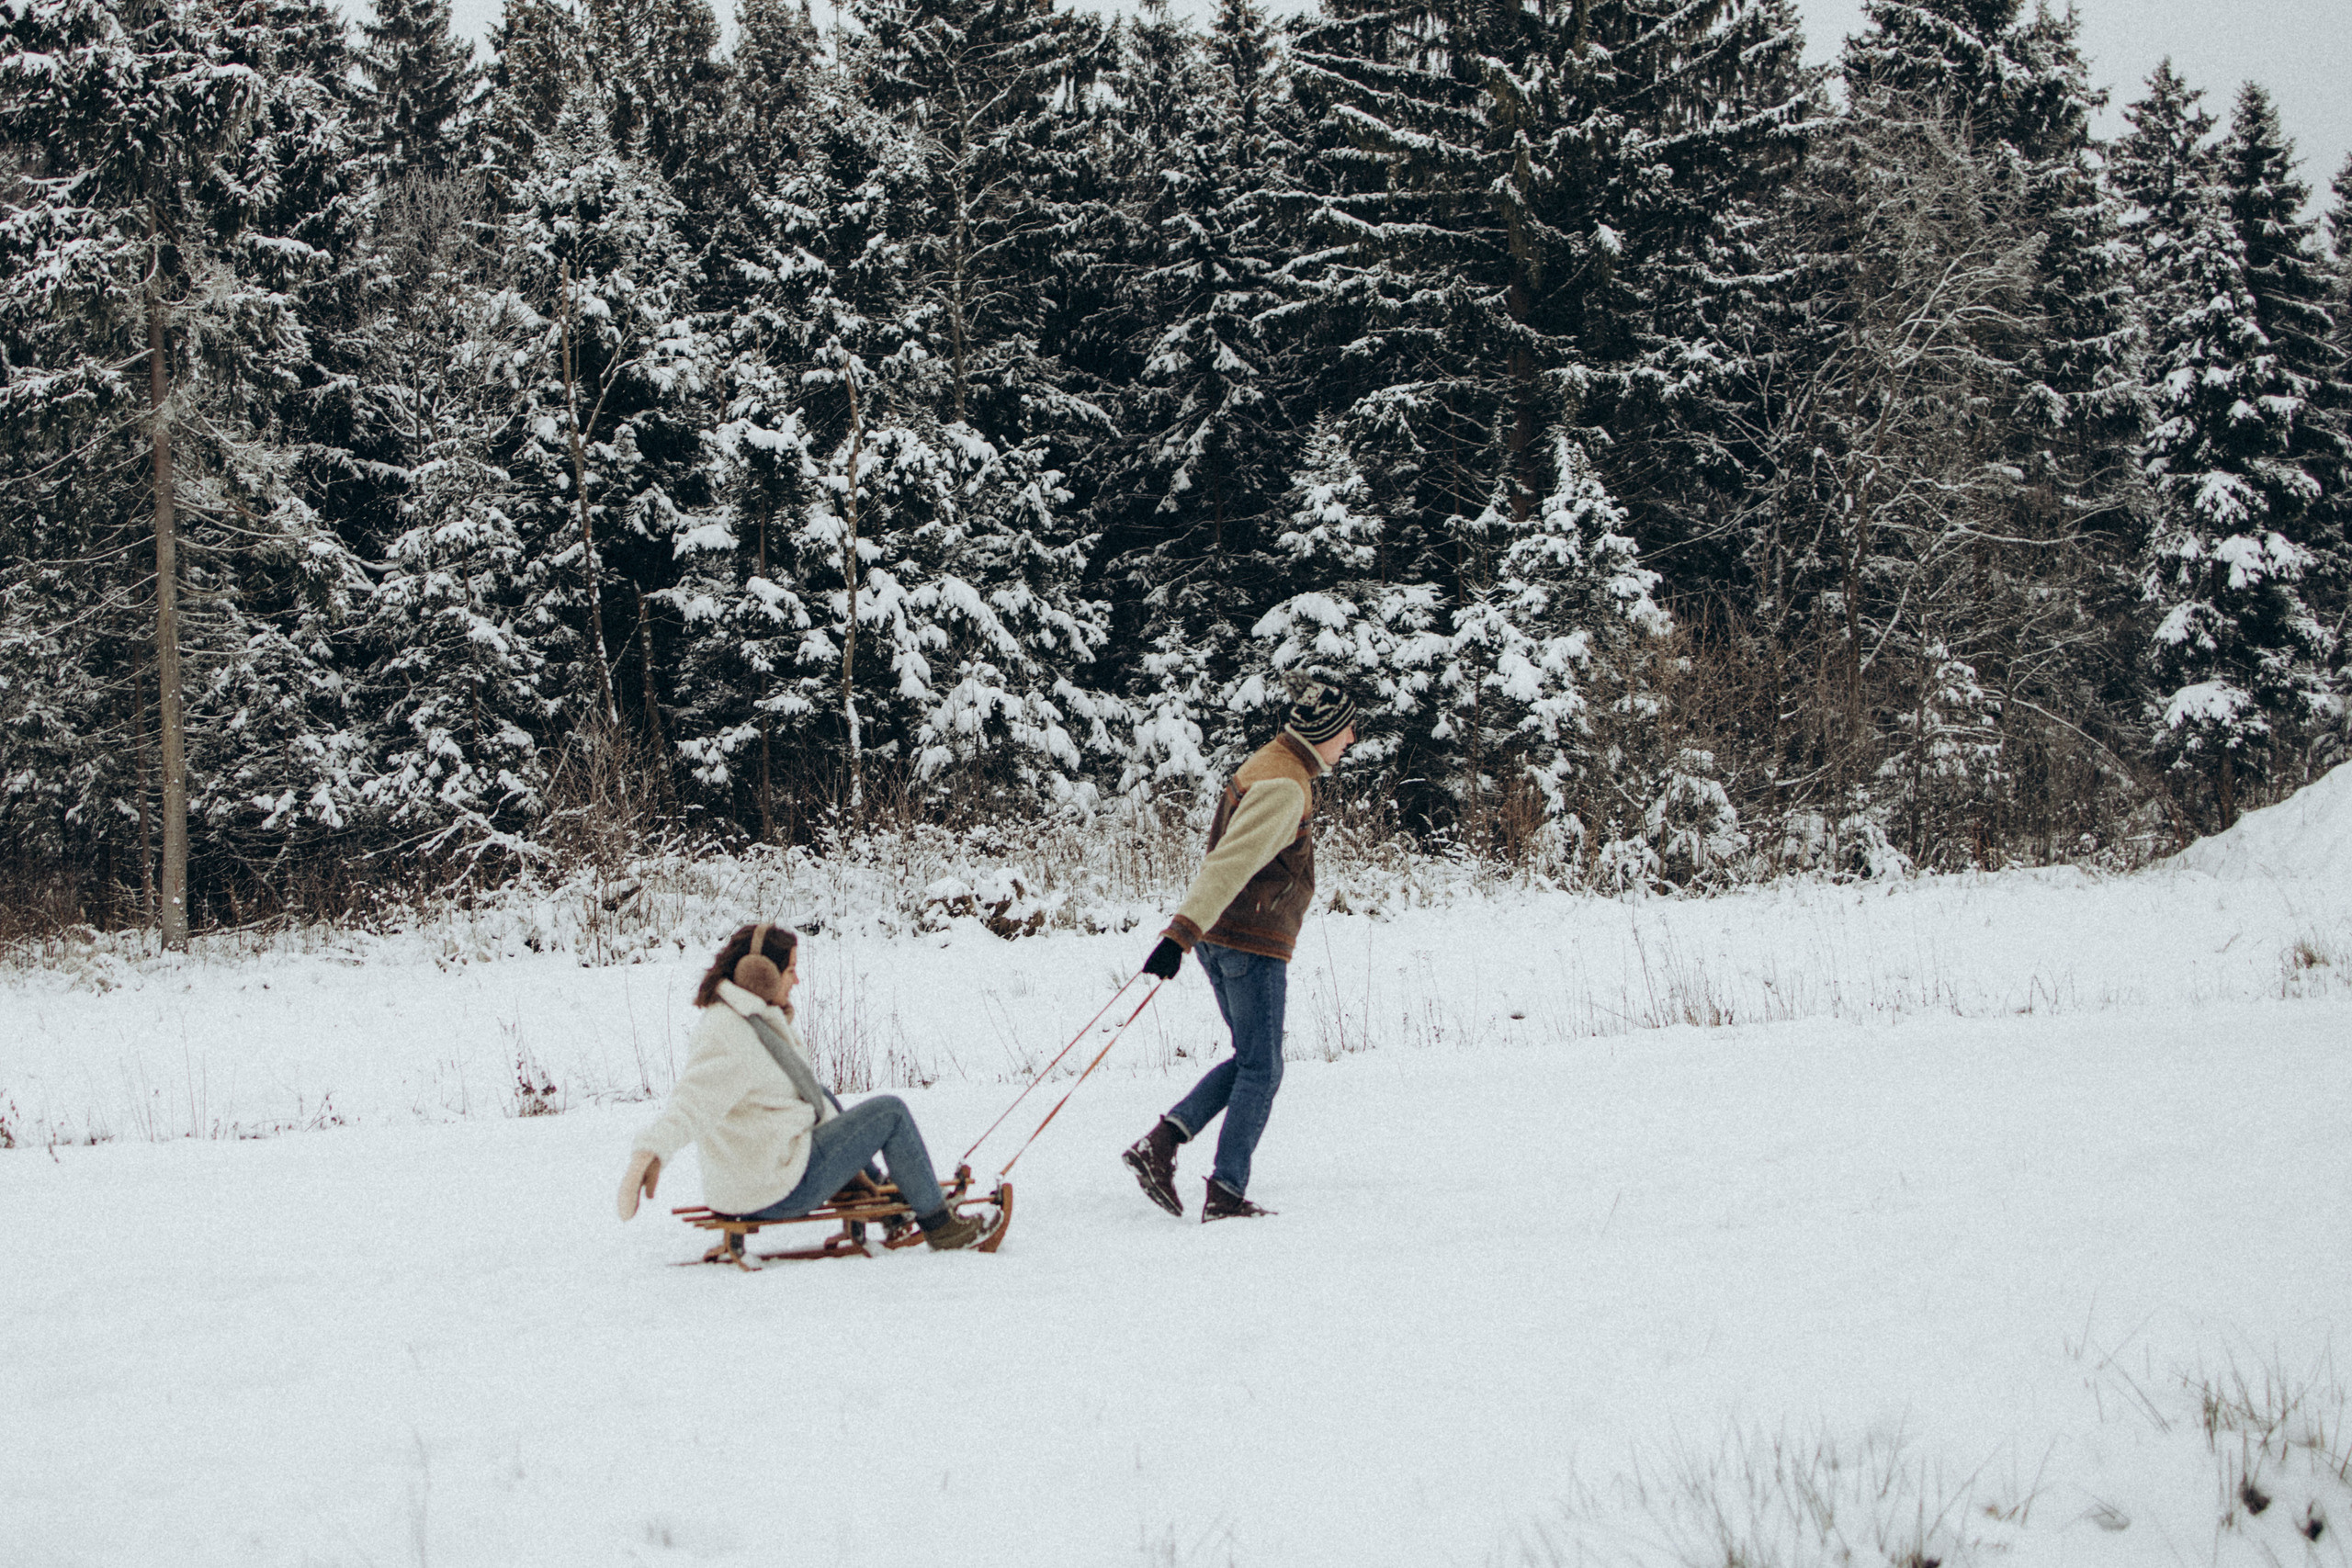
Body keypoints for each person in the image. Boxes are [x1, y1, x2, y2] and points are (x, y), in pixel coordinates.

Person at [1123, 677, 1358, 1222]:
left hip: (1228, 938)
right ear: (1324, 729)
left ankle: (1161, 1143)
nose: (1351, 739)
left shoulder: (1277, 762)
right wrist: (1179, 935)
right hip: (1250, 944)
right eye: (1348, 728)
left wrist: (1193, 933)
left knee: (1252, 1060)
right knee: (1263, 1070)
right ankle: (1225, 1192)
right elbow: (1229, 862)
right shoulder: (1285, 785)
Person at [616, 922, 1001, 1250]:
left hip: (757, 1178)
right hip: (772, 1187)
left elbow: (800, 1093)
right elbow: (691, 1104)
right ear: (759, 974)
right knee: (890, 1113)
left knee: (821, 1095)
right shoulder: (729, 1033)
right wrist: (649, 1154)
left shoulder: (751, 1020)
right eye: (790, 971)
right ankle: (942, 1228)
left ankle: (888, 1197)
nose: (796, 980)